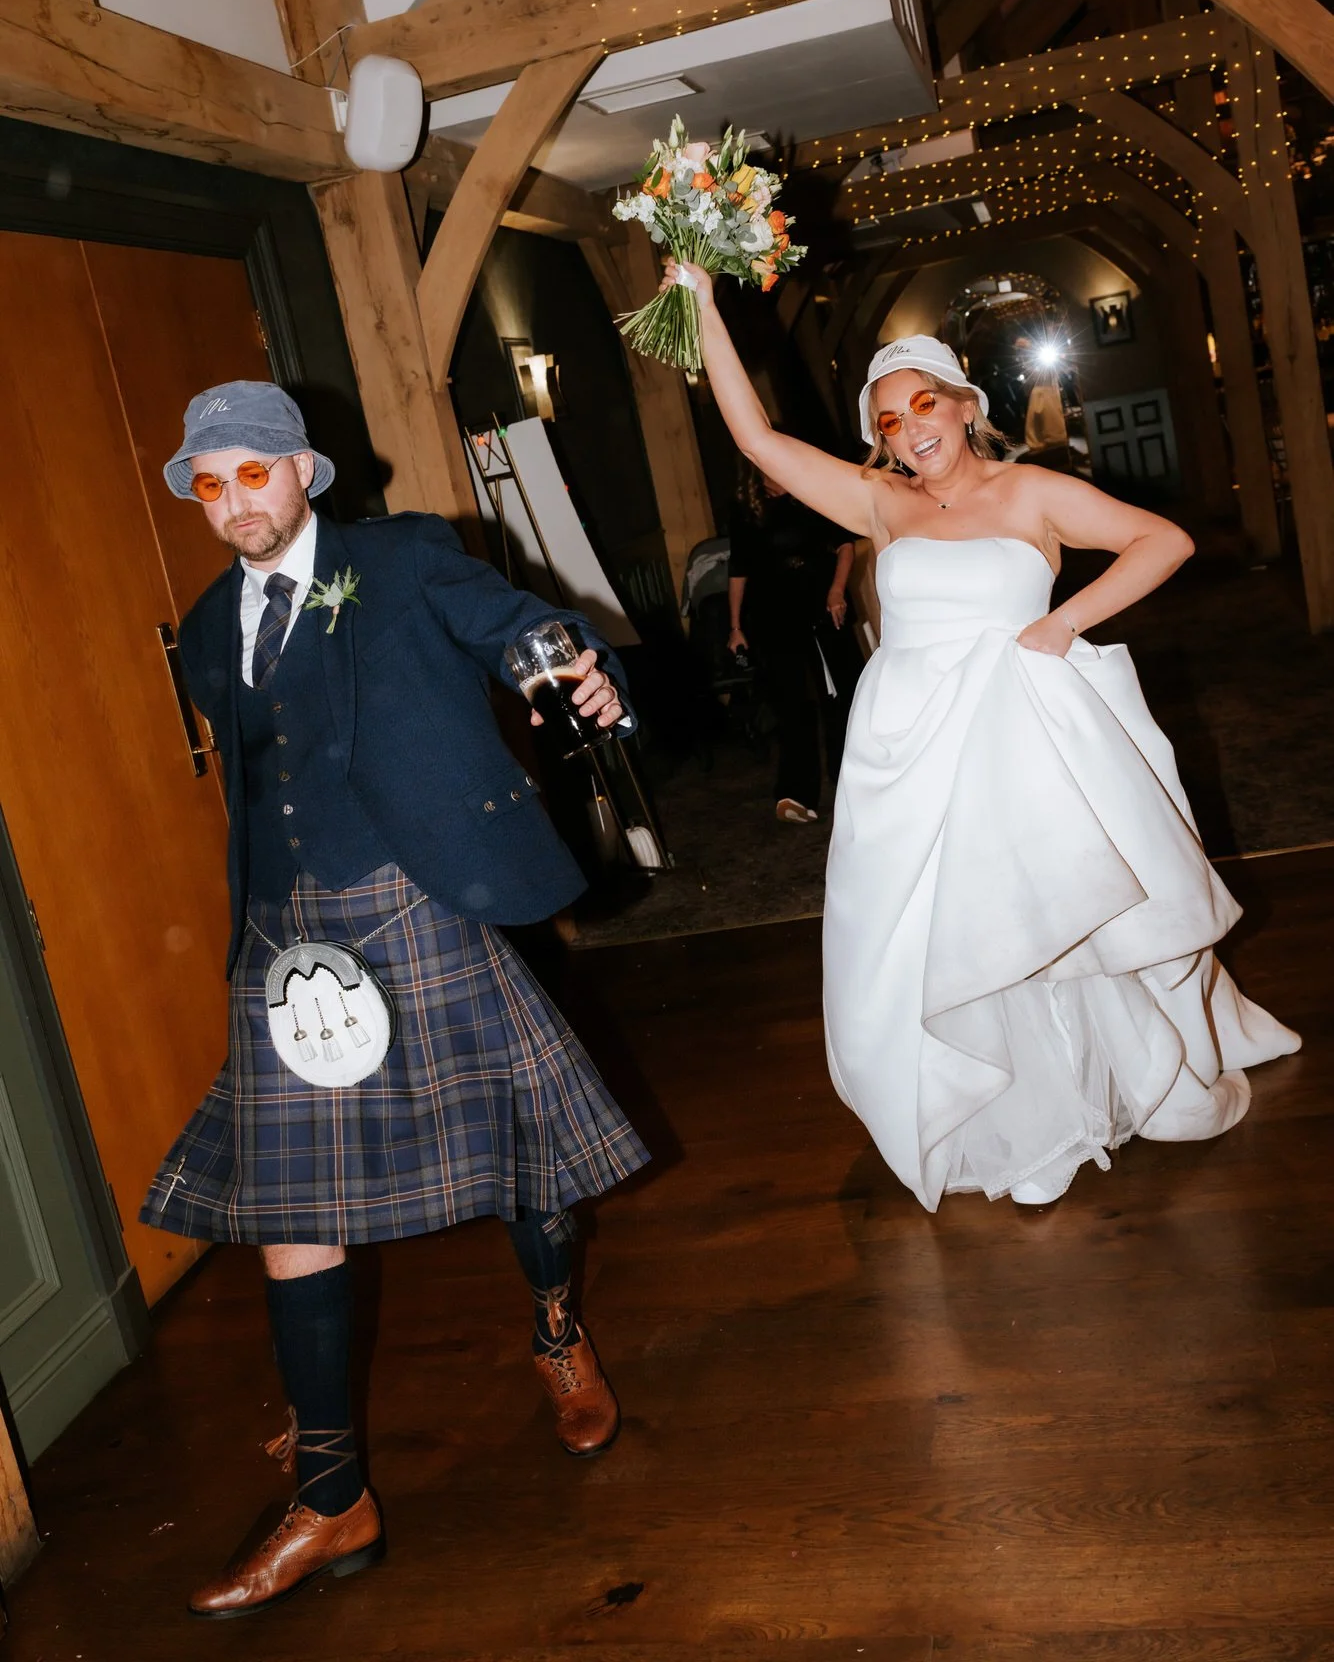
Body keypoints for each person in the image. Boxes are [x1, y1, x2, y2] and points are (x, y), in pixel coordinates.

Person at [142, 382, 649, 1618]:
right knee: (290, 1202)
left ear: (302, 471)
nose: (232, 501)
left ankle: (552, 1327)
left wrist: (581, 675)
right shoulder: (208, 629)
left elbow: (524, 630)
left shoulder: (406, 555)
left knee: (520, 1151)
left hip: (416, 898)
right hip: (287, 934)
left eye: (250, 472)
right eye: (207, 483)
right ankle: (331, 1493)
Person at [667, 264, 1299, 1210]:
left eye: (924, 405)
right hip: (910, 752)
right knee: (938, 936)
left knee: (1040, 917)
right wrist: (703, 307)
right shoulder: (882, 506)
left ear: (964, 405)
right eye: (887, 420)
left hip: (1021, 739)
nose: (910, 431)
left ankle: (1101, 1087)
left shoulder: (1032, 492)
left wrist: (1060, 624)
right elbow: (756, 436)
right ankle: (1022, 1122)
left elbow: (1163, 543)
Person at [727, 459, 862, 823]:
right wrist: (735, 626)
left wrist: (836, 591)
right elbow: (738, 570)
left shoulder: (811, 491)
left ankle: (854, 785)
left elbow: (845, 545)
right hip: (774, 613)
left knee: (845, 694)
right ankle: (796, 794)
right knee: (791, 702)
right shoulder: (747, 508)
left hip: (823, 602)